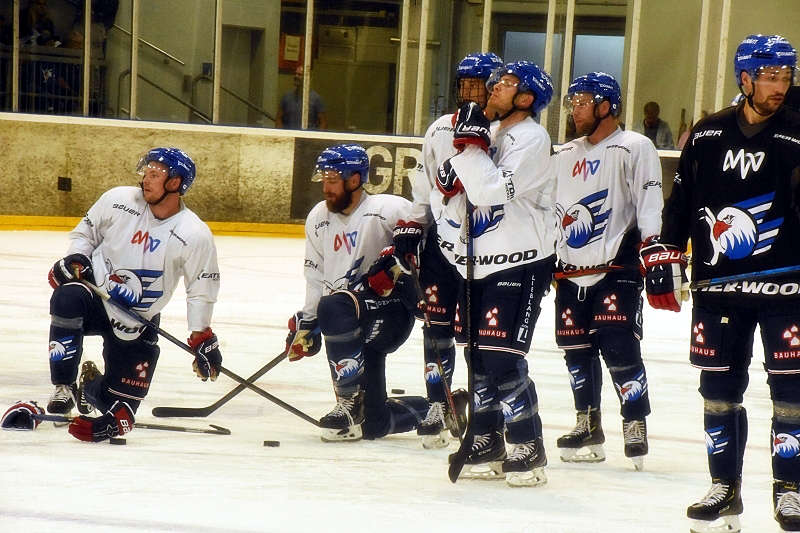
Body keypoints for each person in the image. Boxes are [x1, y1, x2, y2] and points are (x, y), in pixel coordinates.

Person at [641, 34, 800, 532]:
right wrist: (664, 252)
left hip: (787, 287)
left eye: (786, 76)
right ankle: (724, 488)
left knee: (792, 393)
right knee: (717, 389)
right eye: (770, 76)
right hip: (719, 287)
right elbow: (682, 201)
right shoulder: (707, 135)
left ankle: (790, 490)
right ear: (745, 78)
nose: (780, 86)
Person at [431, 60, 556, 486]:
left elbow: (488, 189)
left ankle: (528, 444)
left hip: (521, 262)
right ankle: (487, 436)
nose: (493, 88)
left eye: (505, 84)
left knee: (502, 357)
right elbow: (446, 187)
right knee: (477, 356)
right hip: (478, 263)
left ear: (526, 98)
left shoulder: (532, 139)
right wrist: (465, 148)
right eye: (496, 82)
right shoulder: (492, 130)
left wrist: (470, 148)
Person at [45, 147, 223, 443]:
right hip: (95, 295)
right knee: (67, 297)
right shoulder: (118, 200)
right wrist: (76, 260)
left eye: (155, 174)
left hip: (138, 319)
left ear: (175, 183)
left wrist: (200, 335)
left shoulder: (194, 233)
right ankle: (63, 386)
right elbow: (84, 235)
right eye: (146, 173)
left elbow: (201, 287)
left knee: (119, 407)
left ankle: (89, 387)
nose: (146, 180)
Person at [286, 143, 439, 442]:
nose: (326, 188)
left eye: (332, 180)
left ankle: (347, 404)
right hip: (346, 312)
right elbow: (315, 275)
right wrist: (307, 322)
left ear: (354, 180)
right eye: (324, 180)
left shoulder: (388, 209)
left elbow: (426, 240)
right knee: (373, 425)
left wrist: (395, 265)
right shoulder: (318, 217)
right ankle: (440, 407)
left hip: (391, 311)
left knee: (334, 307)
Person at [553, 72, 663, 472]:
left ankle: (634, 421)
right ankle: (587, 423)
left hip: (618, 264)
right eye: (572, 102)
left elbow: (649, 201)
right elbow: (553, 208)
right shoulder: (564, 153)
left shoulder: (635, 146)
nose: (575, 109)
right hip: (570, 269)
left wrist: (652, 248)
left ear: (606, 106)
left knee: (618, 345)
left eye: (582, 101)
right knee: (575, 349)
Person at [394, 51, 503, 450]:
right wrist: (412, 223)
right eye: (465, 84)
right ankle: (439, 403)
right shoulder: (440, 129)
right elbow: (424, 186)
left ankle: (487, 407)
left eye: (480, 84)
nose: (471, 92)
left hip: (488, 246)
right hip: (443, 243)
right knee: (436, 324)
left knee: (481, 334)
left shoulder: (505, 130)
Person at [276, 65, 327, 130]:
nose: (296, 76)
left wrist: (315, 138)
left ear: (308, 78)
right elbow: (278, 118)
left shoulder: (316, 99)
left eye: (299, 74)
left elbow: (323, 123)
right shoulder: (286, 97)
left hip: (307, 137)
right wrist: (282, 134)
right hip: (290, 137)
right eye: (295, 73)